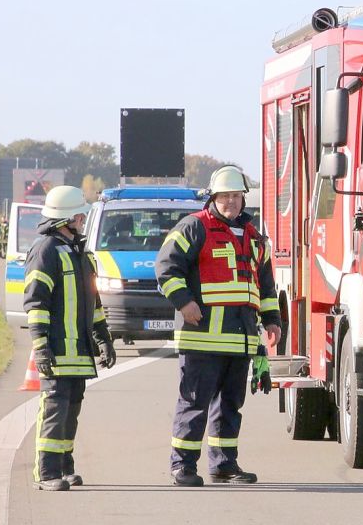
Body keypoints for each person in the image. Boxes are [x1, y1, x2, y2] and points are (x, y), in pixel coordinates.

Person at [156, 166, 281, 487]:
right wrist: (184, 302)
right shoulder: (193, 227)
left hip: (240, 341)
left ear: (243, 198)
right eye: (225, 196)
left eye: (237, 196)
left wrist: (272, 321)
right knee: (194, 403)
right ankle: (182, 466)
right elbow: (166, 268)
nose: (231, 202)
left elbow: (265, 287)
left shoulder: (255, 239)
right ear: (213, 198)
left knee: (230, 406)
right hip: (202, 339)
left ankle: (224, 464)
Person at [23, 186, 116, 491]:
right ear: (69, 218)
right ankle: (46, 473)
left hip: (78, 351)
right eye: (80, 216)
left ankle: (64, 467)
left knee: (70, 411)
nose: (83, 221)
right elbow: (36, 304)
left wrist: (103, 337)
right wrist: (41, 347)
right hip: (57, 349)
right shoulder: (46, 250)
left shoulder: (79, 254)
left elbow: (93, 301)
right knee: (54, 410)